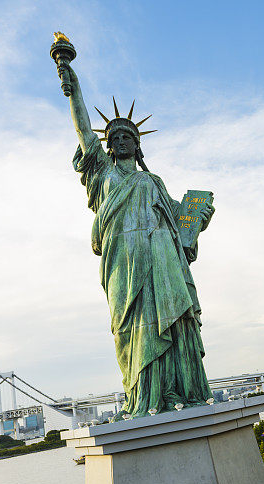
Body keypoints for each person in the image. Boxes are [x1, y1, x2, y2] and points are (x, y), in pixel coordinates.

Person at [57, 60, 215, 418]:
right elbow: (83, 129)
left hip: (162, 260)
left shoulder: (153, 181)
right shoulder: (101, 174)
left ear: (137, 143)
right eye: (115, 138)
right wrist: (74, 86)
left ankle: (179, 390)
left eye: (129, 136)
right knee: (131, 328)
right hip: (122, 262)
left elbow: (182, 221)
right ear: (107, 147)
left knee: (173, 321)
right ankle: (143, 396)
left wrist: (200, 212)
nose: (122, 141)